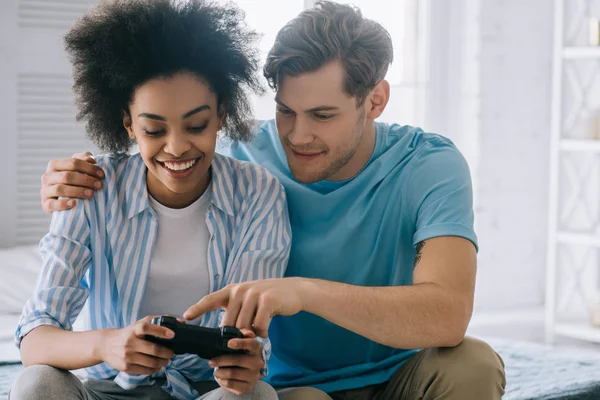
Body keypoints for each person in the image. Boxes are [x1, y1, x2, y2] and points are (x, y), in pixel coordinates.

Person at [39, 1, 506, 399]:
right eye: (286, 111)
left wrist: (304, 292)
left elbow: (447, 316)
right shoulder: (238, 154)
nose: (298, 137)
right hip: (290, 387)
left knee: (474, 364)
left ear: (376, 100)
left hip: (398, 375)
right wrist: (65, 182)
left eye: (323, 115)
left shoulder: (429, 164)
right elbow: (168, 150)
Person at [12, 1, 292, 399]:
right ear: (128, 125)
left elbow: (252, 337)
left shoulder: (258, 193)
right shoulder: (92, 187)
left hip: (205, 391)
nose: (176, 148)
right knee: (36, 383)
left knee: (257, 395)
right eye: (154, 130)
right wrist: (108, 344)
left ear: (221, 114)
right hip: (109, 388)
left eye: (197, 125)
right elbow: (34, 337)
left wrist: (247, 363)